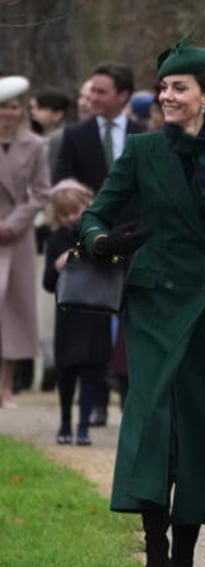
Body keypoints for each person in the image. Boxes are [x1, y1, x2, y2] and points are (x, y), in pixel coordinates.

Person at [78, 38, 205, 567]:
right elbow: (94, 215)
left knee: (203, 431)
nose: (167, 95)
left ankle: (185, 563)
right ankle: (155, 556)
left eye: (179, 87)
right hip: (153, 305)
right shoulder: (142, 150)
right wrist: (103, 241)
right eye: (164, 87)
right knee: (153, 426)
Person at [56, 62, 147, 428]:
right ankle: (94, 404)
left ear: (123, 95)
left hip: (137, 237)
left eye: (101, 92)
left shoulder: (144, 134)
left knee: (130, 323)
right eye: (90, 91)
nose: (92, 98)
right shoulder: (75, 135)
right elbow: (62, 183)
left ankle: (128, 398)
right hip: (94, 238)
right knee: (93, 319)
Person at [42, 179, 111, 446]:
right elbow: (48, 283)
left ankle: (84, 426)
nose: (72, 218)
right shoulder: (56, 239)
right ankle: (65, 422)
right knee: (67, 374)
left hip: (94, 314)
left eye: (76, 211)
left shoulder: (98, 236)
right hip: (68, 315)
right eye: (65, 214)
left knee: (92, 374)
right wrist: (60, 263)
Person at [0, 75, 51, 408]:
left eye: (15, 107)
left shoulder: (35, 145)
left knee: (16, 312)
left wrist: (14, 224)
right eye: (3, 107)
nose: (8, 113)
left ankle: (6, 387)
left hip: (16, 237)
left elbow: (42, 191)